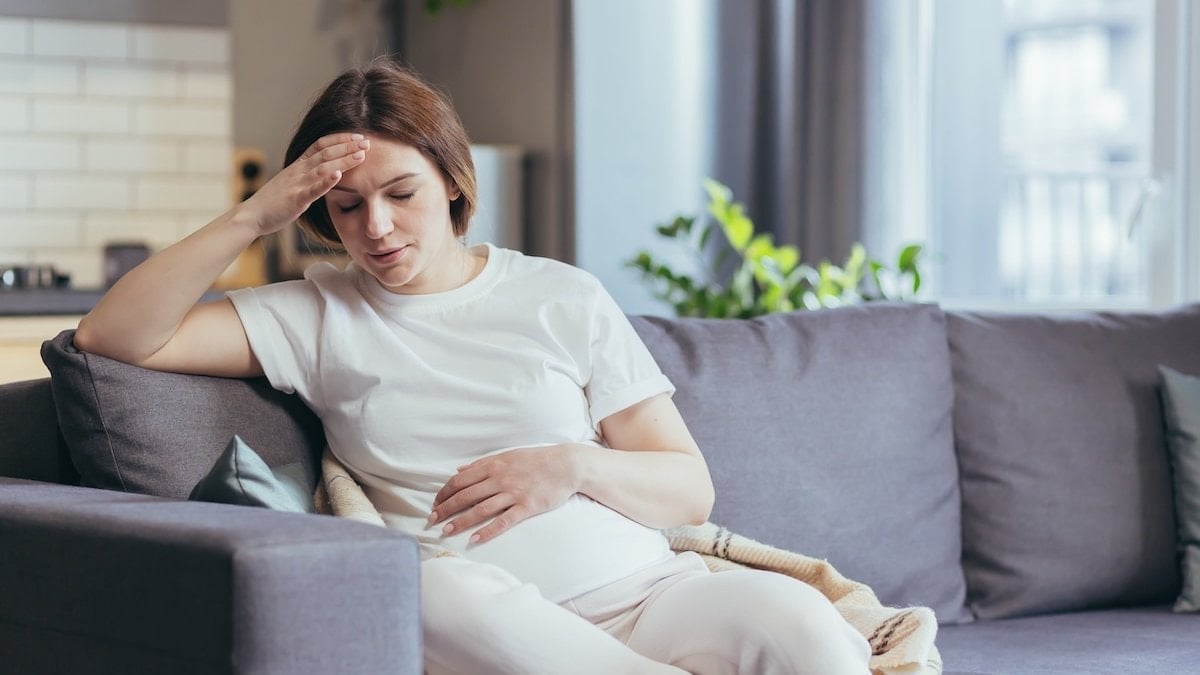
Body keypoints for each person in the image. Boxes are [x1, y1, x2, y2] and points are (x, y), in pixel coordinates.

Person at [74, 58, 871, 675]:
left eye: (401, 193)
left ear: (453, 183)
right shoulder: (314, 313)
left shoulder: (560, 294)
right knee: (421, 588)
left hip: (648, 591)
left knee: (806, 630)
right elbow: (114, 334)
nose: (377, 227)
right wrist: (254, 215)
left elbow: (689, 487)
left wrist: (571, 466)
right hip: (479, 616)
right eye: (347, 206)